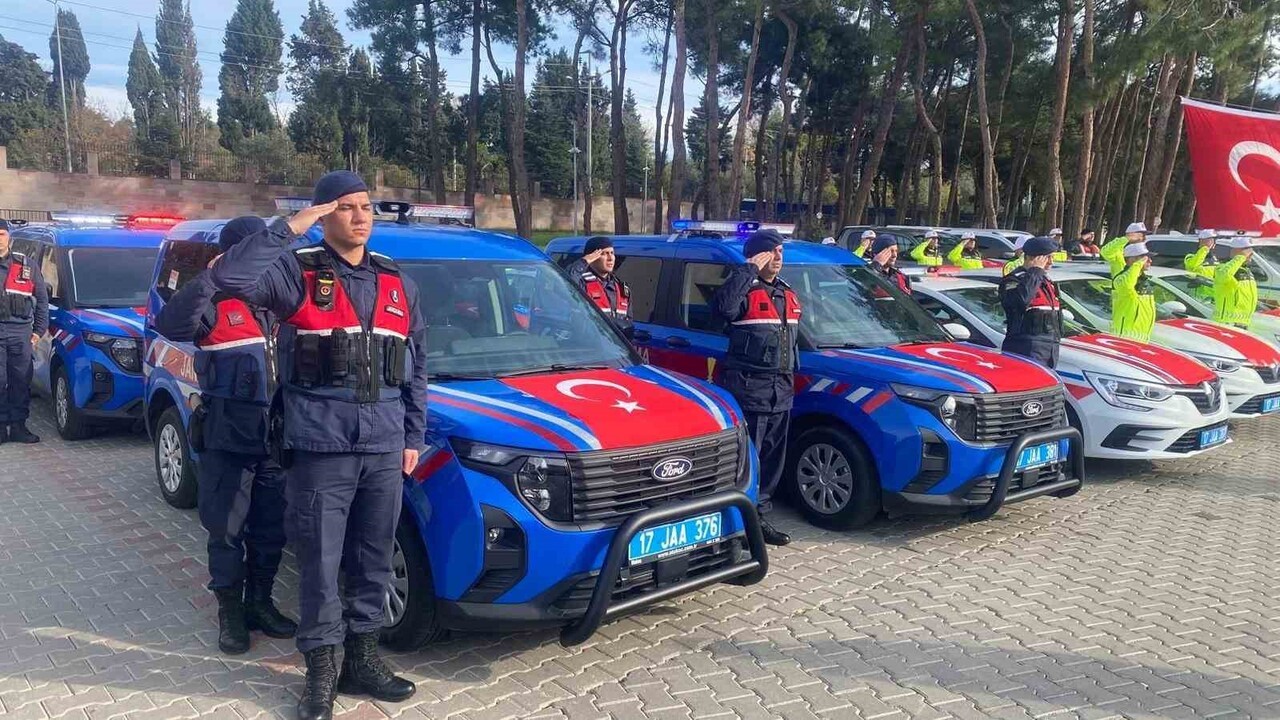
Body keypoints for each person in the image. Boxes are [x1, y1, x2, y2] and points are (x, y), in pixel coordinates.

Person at [210, 171, 427, 720]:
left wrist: (413, 436)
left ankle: (363, 662)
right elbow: (232, 275)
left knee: (373, 561)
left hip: (382, 447)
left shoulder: (396, 280)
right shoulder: (294, 272)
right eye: (347, 207)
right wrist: (293, 225)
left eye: (366, 207)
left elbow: (417, 364)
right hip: (319, 446)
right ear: (325, 215)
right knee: (321, 566)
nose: (360, 216)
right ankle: (321, 674)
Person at [154, 217, 296, 656]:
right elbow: (171, 324)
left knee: (271, 530)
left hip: (275, 441)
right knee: (228, 531)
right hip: (227, 438)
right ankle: (230, 613)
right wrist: (212, 277)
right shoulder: (212, 301)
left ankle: (260, 603)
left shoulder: (280, 302)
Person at [711, 229, 799, 548]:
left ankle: (759, 518)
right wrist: (747, 269)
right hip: (751, 391)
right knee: (748, 463)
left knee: (772, 464)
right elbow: (723, 309)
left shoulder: (786, 292)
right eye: (771, 251)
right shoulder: (744, 288)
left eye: (780, 252)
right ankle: (738, 525)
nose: (778, 257)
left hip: (781, 394)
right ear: (757, 255)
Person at [0, 219, 46, 444]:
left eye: (1, 234)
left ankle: (18, 427)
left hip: (20, 333)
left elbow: (43, 301)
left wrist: (38, 332)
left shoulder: (26, 266)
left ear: (9, 237)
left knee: (20, 381)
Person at [999, 236, 1062, 368]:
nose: (1051, 262)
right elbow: (1020, 301)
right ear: (1033, 258)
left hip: (1050, 349)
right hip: (1025, 349)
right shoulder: (1013, 280)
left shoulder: (1046, 282)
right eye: (1047, 258)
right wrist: (1035, 271)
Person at [568, 236, 633, 337]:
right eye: (604, 254)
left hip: (615, 349)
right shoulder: (582, 283)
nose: (610, 258)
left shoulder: (621, 288)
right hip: (590, 347)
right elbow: (566, 282)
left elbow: (628, 323)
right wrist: (584, 262)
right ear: (592, 257)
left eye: (612, 253)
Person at [1112, 242, 1156, 342]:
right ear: (1132, 259)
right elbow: (1127, 286)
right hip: (1125, 336)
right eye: (1145, 258)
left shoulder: (1143, 279)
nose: (1150, 261)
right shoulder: (1120, 279)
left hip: (1143, 336)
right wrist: (1137, 265)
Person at [1213, 235, 1259, 329]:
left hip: (1243, 323)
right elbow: (1223, 276)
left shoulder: (1247, 271)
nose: (1251, 255)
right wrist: (1240, 257)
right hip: (1227, 324)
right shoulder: (1222, 268)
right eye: (1248, 251)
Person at [1184, 229, 1220, 302]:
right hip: (1196, 298)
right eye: (1210, 240)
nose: (1212, 243)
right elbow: (1191, 266)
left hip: (1211, 299)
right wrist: (1205, 248)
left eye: (1213, 241)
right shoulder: (1191, 256)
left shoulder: (1215, 259)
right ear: (1201, 242)